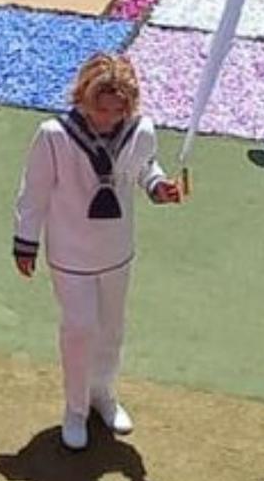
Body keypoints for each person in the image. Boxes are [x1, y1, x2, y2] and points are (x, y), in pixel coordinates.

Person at [12, 52, 182, 451]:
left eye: (117, 110)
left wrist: (160, 187)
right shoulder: (54, 135)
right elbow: (33, 191)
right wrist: (26, 240)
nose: (107, 118)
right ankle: (75, 407)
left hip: (116, 249)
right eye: (99, 109)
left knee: (111, 328)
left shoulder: (140, 131)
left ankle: (103, 394)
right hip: (70, 251)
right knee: (80, 328)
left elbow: (144, 168)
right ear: (83, 98)